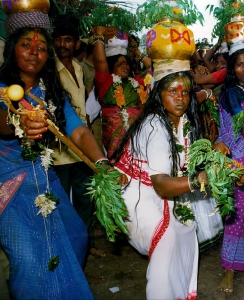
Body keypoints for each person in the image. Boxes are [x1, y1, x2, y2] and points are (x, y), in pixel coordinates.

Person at [0, 9, 122, 299]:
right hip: (9, 189)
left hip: (45, 181)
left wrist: (102, 163)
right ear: (12, 50)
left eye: (42, 47)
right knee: (28, 261)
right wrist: (20, 121)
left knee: (76, 236)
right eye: (26, 45)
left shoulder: (50, 92)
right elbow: (3, 121)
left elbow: (78, 131)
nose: (34, 52)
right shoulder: (4, 89)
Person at [111, 69, 220, 299]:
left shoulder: (183, 120)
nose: (180, 98)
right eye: (172, 91)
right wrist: (202, 179)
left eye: (186, 92)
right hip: (143, 197)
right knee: (168, 244)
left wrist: (214, 157)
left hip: (169, 195)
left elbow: (187, 164)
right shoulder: (154, 126)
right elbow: (161, 185)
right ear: (158, 94)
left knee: (187, 232)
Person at [51, 17, 105, 259]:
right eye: (58, 39)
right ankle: (66, 256)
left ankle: (84, 247)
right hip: (59, 151)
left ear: (75, 44)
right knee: (61, 208)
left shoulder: (79, 67)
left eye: (68, 40)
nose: (62, 44)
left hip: (82, 146)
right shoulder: (48, 68)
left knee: (86, 200)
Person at [92, 26, 152, 159]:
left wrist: (135, 50)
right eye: (120, 64)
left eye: (126, 63)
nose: (125, 66)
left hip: (137, 138)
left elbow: (151, 67)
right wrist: (99, 37)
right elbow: (100, 61)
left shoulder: (135, 81)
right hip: (115, 142)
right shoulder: (106, 81)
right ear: (112, 66)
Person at [217, 46, 244, 294]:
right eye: (239, 64)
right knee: (235, 217)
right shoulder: (231, 95)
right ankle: (229, 270)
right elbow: (239, 120)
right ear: (232, 69)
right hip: (238, 160)